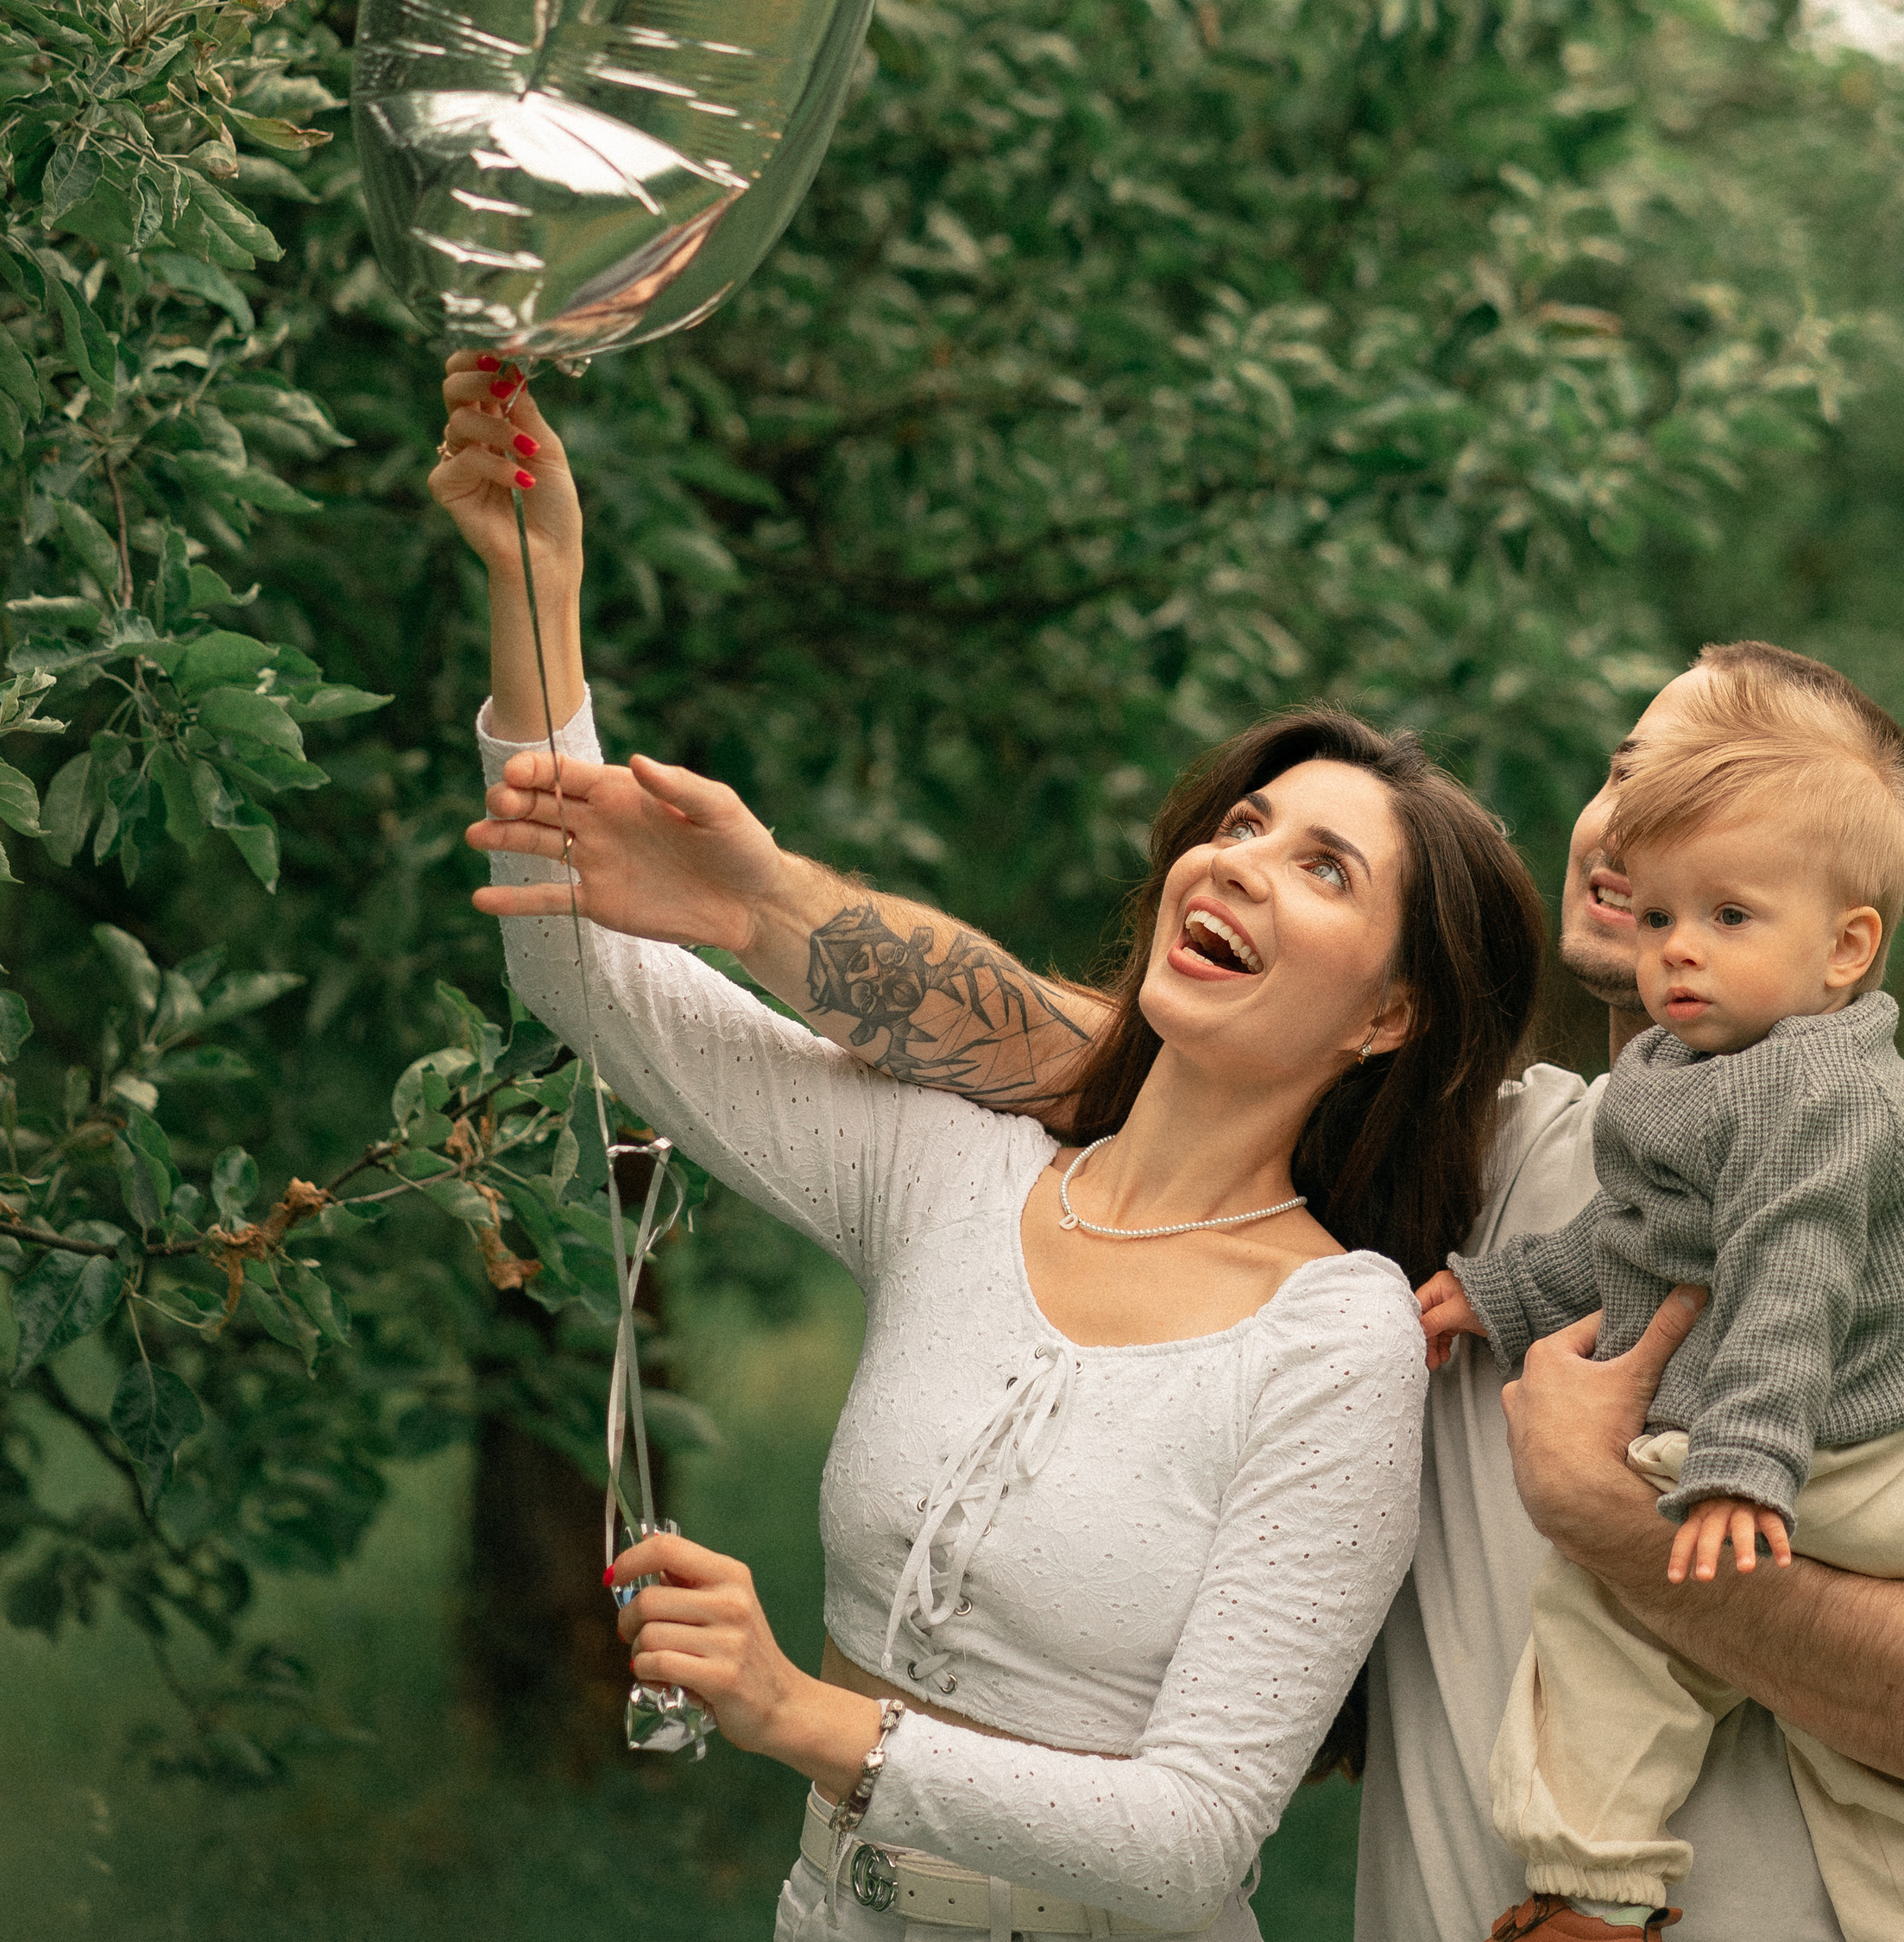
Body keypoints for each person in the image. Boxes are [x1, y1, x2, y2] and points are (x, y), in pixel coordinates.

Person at [432, 367, 1904, 1942]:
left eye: (1716, 802)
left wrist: (1611, 1518)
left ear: (1843, 933)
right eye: (1627, 772)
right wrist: (552, 636)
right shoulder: (1501, 1167)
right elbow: (1079, 1046)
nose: (1639, 819)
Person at [428, 352, 1548, 1941]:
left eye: (1324, 869)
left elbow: (1191, 1835)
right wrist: (541, 606)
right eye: (1239, 826)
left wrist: (799, 1714)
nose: (1241, 865)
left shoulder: (1337, 1334)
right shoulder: (959, 1172)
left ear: (1388, 1020)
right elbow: (581, 976)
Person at [1417, 665, 1904, 1940]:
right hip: (1848, 1450)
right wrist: (1499, 1292)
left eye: (1730, 918)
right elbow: (1634, 1242)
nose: (1679, 948)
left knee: (1605, 1620)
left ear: (1845, 948)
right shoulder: (1682, 1068)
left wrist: (1742, 1461)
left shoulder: (1822, 1092)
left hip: (1860, 1449)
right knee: (1874, 1773)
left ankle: (1594, 1893)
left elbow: (1791, 1273)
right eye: (1664, 918)